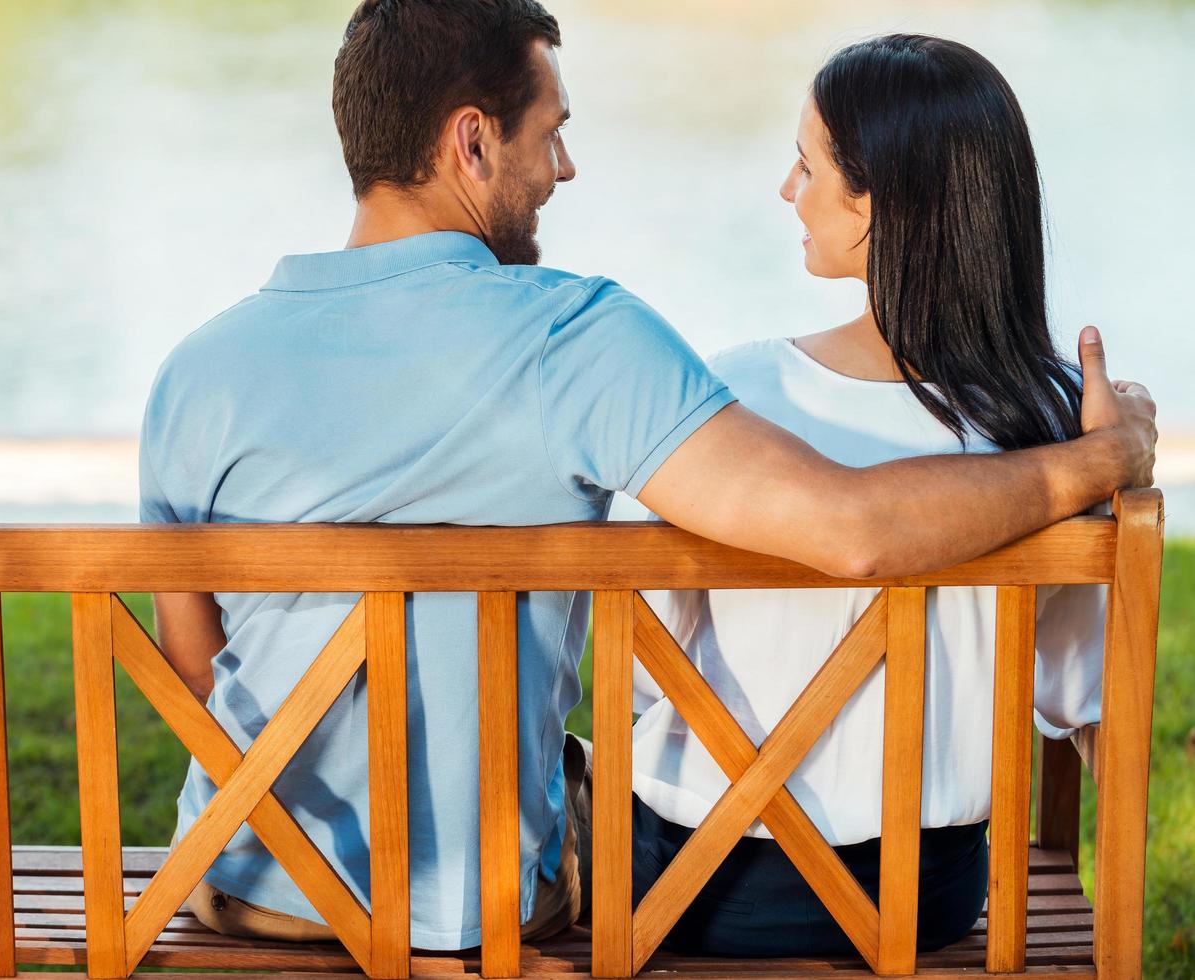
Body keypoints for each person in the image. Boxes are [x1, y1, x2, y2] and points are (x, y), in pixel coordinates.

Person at [138, 0, 1155, 952]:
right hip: (480, 901)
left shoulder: (194, 372)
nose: (565, 166)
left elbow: (193, 658)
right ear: (472, 141)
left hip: (243, 875)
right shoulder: (575, 342)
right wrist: (1098, 456)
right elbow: (850, 527)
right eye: (550, 130)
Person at [631, 34, 1115, 957]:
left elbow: (645, 669)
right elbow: (1077, 693)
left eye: (805, 166)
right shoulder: (1053, 422)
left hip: (700, 882)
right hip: (924, 897)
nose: (786, 191)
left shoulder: (728, 400)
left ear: (879, 203)